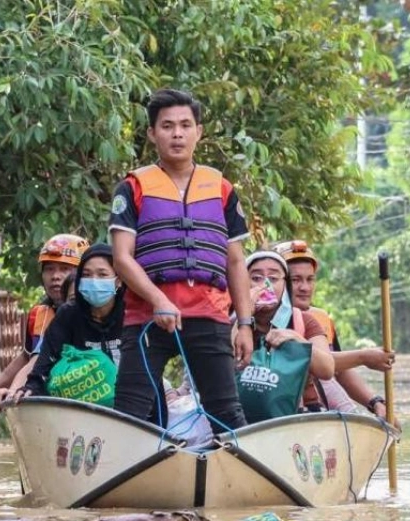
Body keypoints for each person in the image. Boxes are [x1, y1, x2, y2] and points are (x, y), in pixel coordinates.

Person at [109, 88, 253, 431]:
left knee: (227, 413)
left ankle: (239, 479)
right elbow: (121, 258)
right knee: (129, 413)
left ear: (198, 132)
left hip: (209, 313)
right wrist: (159, 300)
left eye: (186, 125)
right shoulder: (132, 188)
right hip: (147, 316)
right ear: (152, 133)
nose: (177, 134)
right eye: (168, 126)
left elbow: (235, 262)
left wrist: (245, 324)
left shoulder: (222, 189)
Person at [272, 239, 393, 419]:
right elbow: (321, 364)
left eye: (310, 279)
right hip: (282, 412)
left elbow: (339, 370)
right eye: (296, 280)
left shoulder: (321, 319)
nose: (305, 287)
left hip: (321, 412)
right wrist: (364, 357)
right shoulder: (265, 317)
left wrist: (375, 402)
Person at [0, 233, 89, 420]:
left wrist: (12, 392)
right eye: (50, 269)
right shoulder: (39, 314)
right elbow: (28, 357)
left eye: (65, 269)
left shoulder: (94, 312)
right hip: (43, 403)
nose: (56, 276)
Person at [11, 243, 124, 401]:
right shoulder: (68, 315)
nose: (94, 281)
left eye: (102, 274)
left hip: (131, 407)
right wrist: (31, 388)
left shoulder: (133, 313)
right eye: (87, 274)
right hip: (78, 411)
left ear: (118, 280)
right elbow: (43, 362)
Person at [242, 251, 334, 415]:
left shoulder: (303, 321)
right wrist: (244, 316)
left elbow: (327, 369)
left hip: (295, 418)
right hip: (241, 421)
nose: (265, 285)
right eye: (256, 278)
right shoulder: (230, 323)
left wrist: (297, 339)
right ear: (242, 283)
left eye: (274, 278)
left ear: (285, 286)